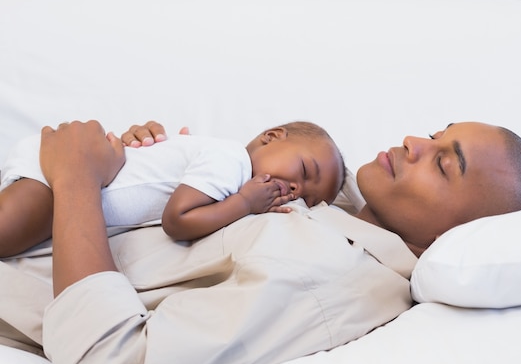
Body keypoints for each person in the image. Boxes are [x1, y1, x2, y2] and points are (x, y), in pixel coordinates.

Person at [1, 119, 521, 364]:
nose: (412, 142)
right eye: (434, 134)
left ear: (458, 236)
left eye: (445, 163)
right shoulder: (327, 209)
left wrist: (76, 178)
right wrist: (148, 165)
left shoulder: (330, 277)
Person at [0, 120, 345, 258]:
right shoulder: (230, 159)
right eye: (303, 170)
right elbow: (177, 220)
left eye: (307, 197)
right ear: (271, 137)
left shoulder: (220, 170)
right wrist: (244, 203)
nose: (297, 189)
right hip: (56, 177)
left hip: (70, 186)